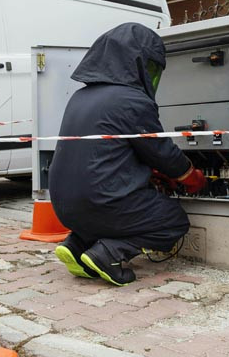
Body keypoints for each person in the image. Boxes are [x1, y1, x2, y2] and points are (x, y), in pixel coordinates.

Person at [48, 23, 206, 286]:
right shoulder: (131, 99)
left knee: (105, 211)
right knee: (173, 220)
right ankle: (109, 253)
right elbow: (163, 154)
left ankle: (76, 246)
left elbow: (107, 154)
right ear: (138, 64)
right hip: (102, 202)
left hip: (65, 208)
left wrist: (148, 174)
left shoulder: (79, 97)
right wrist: (191, 176)